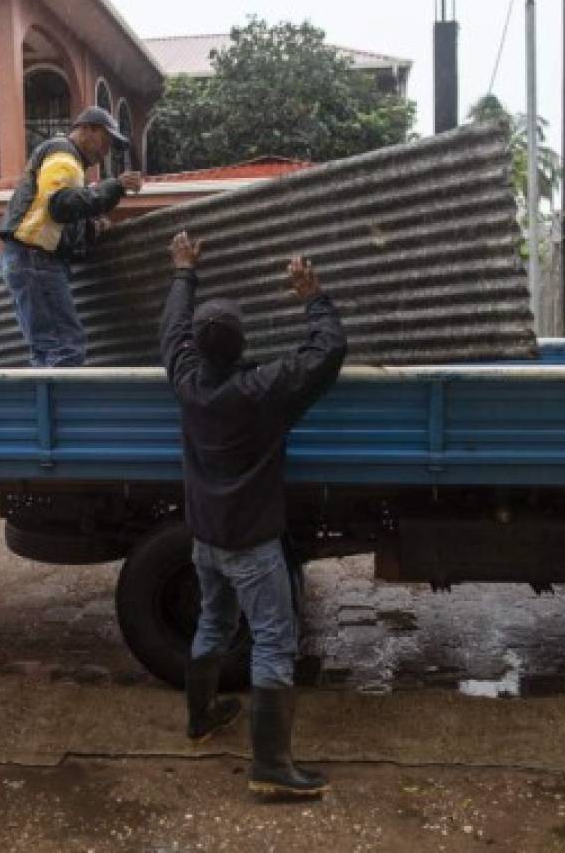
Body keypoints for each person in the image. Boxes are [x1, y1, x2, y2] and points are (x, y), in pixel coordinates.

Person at [159, 230, 347, 797]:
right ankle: (270, 765)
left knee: (214, 624)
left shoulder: (187, 383)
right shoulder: (263, 389)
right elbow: (327, 351)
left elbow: (171, 329)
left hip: (205, 538)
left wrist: (184, 271)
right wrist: (312, 297)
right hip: (252, 545)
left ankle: (201, 718)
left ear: (197, 346)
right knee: (273, 641)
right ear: (242, 344)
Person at [0, 106, 143, 366]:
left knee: (46, 349)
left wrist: (89, 227)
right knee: (65, 348)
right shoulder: (64, 155)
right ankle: (60, 407)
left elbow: (49, 214)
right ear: (86, 130)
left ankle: (44, 406)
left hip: (28, 259)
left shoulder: (65, 160)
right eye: (105, 140)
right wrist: (115, 187)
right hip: (36, 260)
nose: (106, 151)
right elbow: (60, 204)